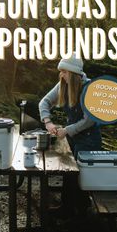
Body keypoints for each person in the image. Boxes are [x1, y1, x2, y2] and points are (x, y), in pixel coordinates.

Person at [39, 52, 102, 217]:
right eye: (61, 71)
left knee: (79, 175)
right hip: (73, 138)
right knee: (68, 172)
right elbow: (44, 102)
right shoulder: (62, 85)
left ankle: (79, 209)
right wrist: (48, 122)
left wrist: (66, 130)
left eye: (64, 71)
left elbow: (89, 121)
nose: (61, 74)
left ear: (73, 73)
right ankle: (68, 207)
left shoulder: (89, 88)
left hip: (89, 140)